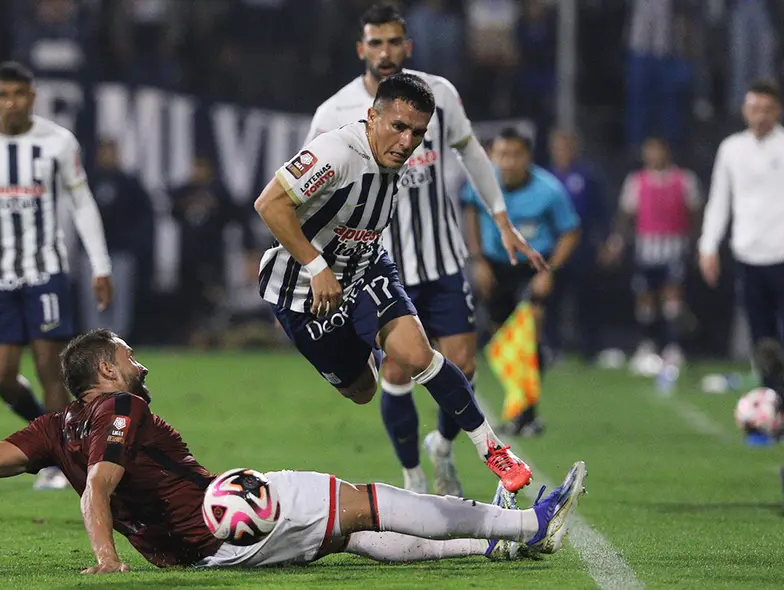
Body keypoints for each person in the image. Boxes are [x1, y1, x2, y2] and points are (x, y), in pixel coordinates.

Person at [0, 328, 588, 572]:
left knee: (352, 535)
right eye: (128, 355)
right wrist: (105, 562)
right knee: (372, 503)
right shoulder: (121, 407)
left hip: (192, 556)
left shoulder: (52, 427)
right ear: (108, 372)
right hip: (223, 519)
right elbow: (99, 485)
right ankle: (528, 522)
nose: (138, 361)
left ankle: (490, 542)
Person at [255, 71, 546, 494]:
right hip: (304, 290)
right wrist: (316, 267)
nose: (408, 142)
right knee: (362, 390)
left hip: (366, 267)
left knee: (417, 356)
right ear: (372, 117)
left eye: (418, 132)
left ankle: (494, 450)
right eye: (399, 127)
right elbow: (269, 204)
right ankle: (368, 343)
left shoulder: (395, 153)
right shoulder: (336, 153)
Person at [0, 61, 113, 490]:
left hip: (46, 271)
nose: (11, 103)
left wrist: (100, 265)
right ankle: (51, 430)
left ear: (32, 97)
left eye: (19, 94)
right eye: (3, 95)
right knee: (0, 375)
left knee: (49, 366)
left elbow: (81, 202)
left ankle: (57, 463)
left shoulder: (57, 142)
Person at [462, 127, 580, 436]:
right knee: (503, 343)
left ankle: (525, 414)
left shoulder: (548, 190)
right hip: (496, 267)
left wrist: (549, 271)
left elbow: (570, 230)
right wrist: (478, 260)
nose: (508, 162)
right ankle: (524, 413)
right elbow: (471, 211)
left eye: (514, 155)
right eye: (501, 155)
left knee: (526, 337)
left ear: (527, 156)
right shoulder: (483, 183)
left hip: (532, 267)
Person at [699, 79, 784, 366]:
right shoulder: (731, 149)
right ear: (745, 111)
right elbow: (719, 201)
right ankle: (771, 399)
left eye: (767, 109)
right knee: (761, 339)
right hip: (748, 256)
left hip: (781, 254)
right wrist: (708, 245)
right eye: (755, 108)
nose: (760, 116)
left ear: (777, 112)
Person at [601, 137, 701, 373]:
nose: (653, 156)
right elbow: (626, 215)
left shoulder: (684, 180)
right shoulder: (636, 181)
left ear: (667, 152)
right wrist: (616, 242)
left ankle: (674, 348)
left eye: (657, 151)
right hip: (645, 248)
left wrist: (698, 243)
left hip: (674, 247)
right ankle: (647, 346)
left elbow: (696, 213)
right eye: (649, 152)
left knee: (672, 298)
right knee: (645, 299)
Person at [547, 128, 608, 361]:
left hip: (583, 247)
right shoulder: (546, 176)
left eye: (565, 147)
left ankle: (590, 348)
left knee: (587, 299)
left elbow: (601, 211)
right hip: (553, 247)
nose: (560, 152)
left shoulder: (588, 175)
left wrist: (603, 241)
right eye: (557, 147)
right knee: (552, 300)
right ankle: (553, 347)